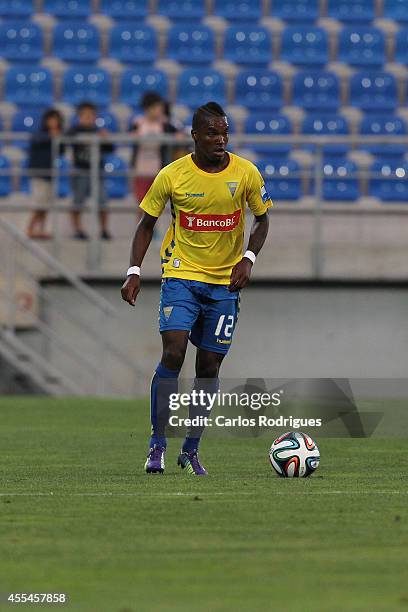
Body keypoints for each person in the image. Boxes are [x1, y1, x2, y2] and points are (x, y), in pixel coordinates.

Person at [121, 101, 271, 476]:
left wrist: (248, 258)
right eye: (212, 133)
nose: (220, 140)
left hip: (224, 284)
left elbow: (262, 220)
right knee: (173, 353)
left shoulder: (246, 173)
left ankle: (191, 449)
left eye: (224, 133)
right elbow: (145, 224)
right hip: (181, 275)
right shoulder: (172, 176)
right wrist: (134, 270)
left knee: (209, 365)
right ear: (194, 136)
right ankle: (157, 443)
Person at [67, 101, 114, 240]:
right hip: (80, 170)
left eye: (91, 115)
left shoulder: (98, 132)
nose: (88, 117)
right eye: (85, 115)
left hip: (97, 171)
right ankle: (77, 229)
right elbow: (64, 140)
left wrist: (106, 139)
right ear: (80, 116)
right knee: (78, 201)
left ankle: (104, 229)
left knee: (102, 201)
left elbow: (110, 149)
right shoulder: (74, 131)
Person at [130, 92, 180, 215]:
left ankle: (154, 230)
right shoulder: (138, 122)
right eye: (158, 108)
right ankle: (141, 231)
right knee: (142, 203)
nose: (161, 110)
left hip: (158, 170)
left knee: (156, 205)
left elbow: (178, 132)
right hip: (140, 169)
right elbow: (129, 136)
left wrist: (177, 135)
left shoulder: (164, 123)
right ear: (149, 108)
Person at [26, 109, 64, 240]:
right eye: (51, 119)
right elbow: (36, 141)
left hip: (50, 174)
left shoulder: (58, 135)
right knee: (40, 202)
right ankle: (30, 228)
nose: (53, 122)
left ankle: (41, 229)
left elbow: (62, 151)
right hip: (39, 173)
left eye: (56, 119)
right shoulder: (39, 134)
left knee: (46, 204)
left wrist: (58, 138)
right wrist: (51, 136)